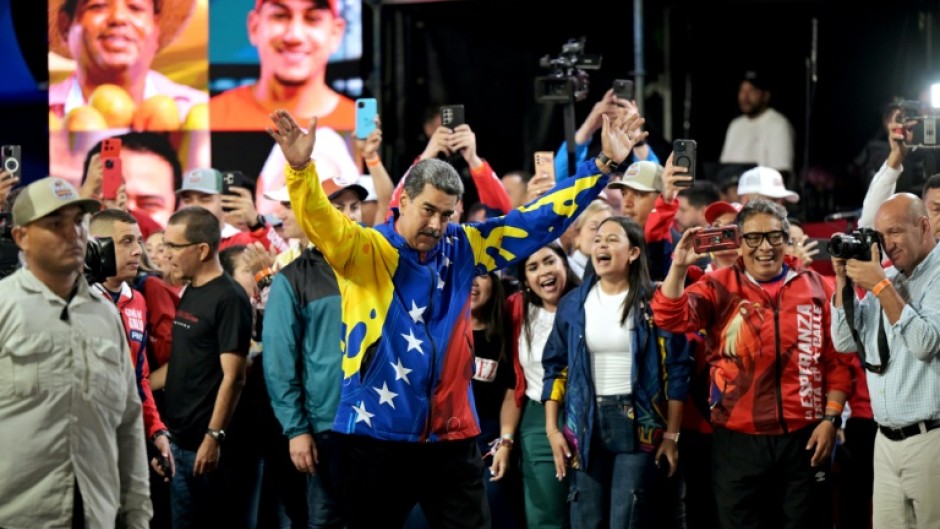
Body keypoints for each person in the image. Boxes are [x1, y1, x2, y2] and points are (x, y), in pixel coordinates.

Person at [268, 107, 645, 528]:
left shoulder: (464, 245)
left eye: (447, 214)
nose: (437, 224)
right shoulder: (364, 249)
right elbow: (320, 221)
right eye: (428, 210)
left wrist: (604, 167)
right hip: (373, 438)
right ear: (404, 201)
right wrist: (300, 169)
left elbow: (537, 221)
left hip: (453, 439)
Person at [652, 199, 851, 529]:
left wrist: (831, 419)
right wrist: (678, 267)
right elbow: (668, 316)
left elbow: (838, 360)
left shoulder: (817, 286)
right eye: (753, 238)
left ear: (787, 239)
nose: (764, 248)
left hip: (805, 438)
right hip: (737, 440)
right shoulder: (718, 285)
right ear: (739, 242)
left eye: (774, 237)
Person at [0, 177, 152, 528]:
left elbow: (128, 424)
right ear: (21, 237)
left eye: (78, 222)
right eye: (55, 224)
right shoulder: (5, 307)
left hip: (97, 515)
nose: (74, 234)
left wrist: (138, 515)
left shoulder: (105, 316)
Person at [542, 216, 691, 527]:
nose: (601, 244)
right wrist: (553, 430)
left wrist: (672, 436)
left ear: (633, 253)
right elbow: (555, 367)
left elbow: (676, 371)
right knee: (586, 518)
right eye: (597, 239)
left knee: (629, 517)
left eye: (611, 239)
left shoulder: (655, 301)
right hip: (585, 422)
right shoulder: (573, 304)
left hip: (642, 423)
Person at [260, 172, 370, 528]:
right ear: (317, 215)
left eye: (355, 206)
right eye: (337, 207)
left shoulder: (381, 267)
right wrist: (296, 430)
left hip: (383, 425)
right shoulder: (292, 279)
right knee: (326, 521)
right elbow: (279, 365)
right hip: (327, 427)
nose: (351, 215)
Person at [830, 193, 940, 529]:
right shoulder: (888, 281)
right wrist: (843, 283)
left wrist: (878, 284)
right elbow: (845, 342)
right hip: (886, 443)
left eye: (894, 232)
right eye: (880, 235)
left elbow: (925, 343)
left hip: (931, 440)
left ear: (923, 226)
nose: (886, 244)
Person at [160, 206, 253, 528]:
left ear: (201, 250)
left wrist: (213, 438)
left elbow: (234, 377)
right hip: (179, 442)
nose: (166, 253)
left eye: (173, 246)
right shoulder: (193, 290)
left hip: (206, 448)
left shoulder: (229, 298)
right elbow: (184, 362)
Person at [88, 209, 176, 479]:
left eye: (139, 241)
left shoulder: (137, 299)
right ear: (97, 246)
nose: (138, 250)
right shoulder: (76, 297)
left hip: (126, 441)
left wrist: (155, 430)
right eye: (126, 241)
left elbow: (140, 378)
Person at [507, 243, 581, 529]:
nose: (544, 272)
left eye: (549, 261)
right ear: (525, 280)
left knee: (592, 511)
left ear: (565, 265)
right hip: (537, 420)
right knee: (546, 515)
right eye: (533, 267)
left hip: (590, 415)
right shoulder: (516, 310)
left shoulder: (591, 302)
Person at [49, 0, 207, 125]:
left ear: (156, 26)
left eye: (135, 7)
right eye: (98, 5)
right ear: (65, 25)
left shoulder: (197, 110)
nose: (118, 17)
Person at [209, 0, 353, 131]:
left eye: (312, 18)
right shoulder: (210, 116)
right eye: (280, 16)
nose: (294, 36)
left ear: (335, 33)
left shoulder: (361, 125)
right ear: (254, 27)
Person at [177, 167, 288, 252]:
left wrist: (256, 223)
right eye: (188, 200)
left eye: (205, 199)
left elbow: (283, 262)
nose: (195, 206)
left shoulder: (242, 241)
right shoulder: (174, 242)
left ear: (224, 200)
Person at [719, 70, 796, 175]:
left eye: (752, 90)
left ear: (765, 95)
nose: (745, 97)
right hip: (732, 189)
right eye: (742, 90)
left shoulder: (778, 124)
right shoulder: (735, 125)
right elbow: (723, 169)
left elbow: (781, 174)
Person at [567, 200, 613, 279]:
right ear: (576, 236)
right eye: (594, 228)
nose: (602, 234)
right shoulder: (568, 271)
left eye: (609, 229)